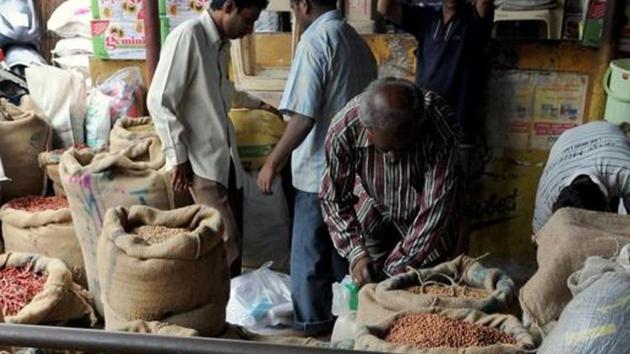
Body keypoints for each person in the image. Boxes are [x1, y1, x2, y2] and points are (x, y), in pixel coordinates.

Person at [255, 0, 377, 335]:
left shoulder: (315, 41)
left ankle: (311, 329)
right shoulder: (356, 42)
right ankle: (346, 326)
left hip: (317, 173)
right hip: (354, 173)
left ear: (303, 5)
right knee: (344, 255)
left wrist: (273, 161)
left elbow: (303, 117)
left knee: (308, 259)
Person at [147, 0, 278, 277]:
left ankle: (232, 302)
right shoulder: (189, 36)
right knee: (226, 238)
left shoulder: (221, 45)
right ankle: (220, 305)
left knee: (234, 237)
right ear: (229, 6)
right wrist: (178, 158)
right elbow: (160, 101)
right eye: (248, 20)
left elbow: (224, 92)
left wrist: (261, 104)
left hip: (223, 156)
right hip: (200, 161)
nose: (249, 29)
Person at [320, 77, 461, 289]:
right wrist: (356, 253)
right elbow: (333, 198)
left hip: (423, 227)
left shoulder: (437, 126)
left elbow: (434, 210)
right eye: (385, 150)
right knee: (367, 289)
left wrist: (391, 273)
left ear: (417, 128)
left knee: (424, 297)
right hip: (372, 211)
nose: (394, 159)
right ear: (368, 130)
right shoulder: (344, 129)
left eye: (404, 150)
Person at [377, 0, 493, 140]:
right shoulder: (427, 16)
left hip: (458, 120)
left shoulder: (473, 18)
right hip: (426, 115)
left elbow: (485, 3)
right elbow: (385, 8)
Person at [533, 121, 630, 233]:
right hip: (566, 139)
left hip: (605, 130)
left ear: (606, 204)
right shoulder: (545, 202)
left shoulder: (624, 171)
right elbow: (538, 241)